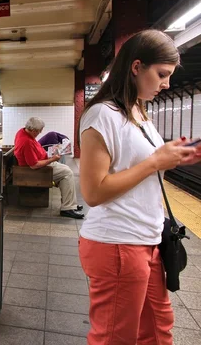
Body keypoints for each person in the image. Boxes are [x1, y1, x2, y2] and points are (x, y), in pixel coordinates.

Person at [78, 29, 201, 345]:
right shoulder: (101, 115)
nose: (167, 84)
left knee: (158, 331)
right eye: (161, 74)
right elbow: (94, 191)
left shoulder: (138, 113)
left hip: (148, 239)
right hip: (118, 244)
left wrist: (172, 157)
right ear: (136, 67)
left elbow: (141, 167)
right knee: (115, 338)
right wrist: (155, 162)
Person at [14, 117, 84, 219]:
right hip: (35, 171)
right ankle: (67, 207)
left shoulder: (22, 131)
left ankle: (69, 205)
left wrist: (50, 154)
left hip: (42, 163)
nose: (39, 133)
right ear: (33, 130)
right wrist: (52, 159)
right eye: (38, 132)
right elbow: (34, 165)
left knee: (65, 172)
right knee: (67, 173)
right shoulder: (26, 142)